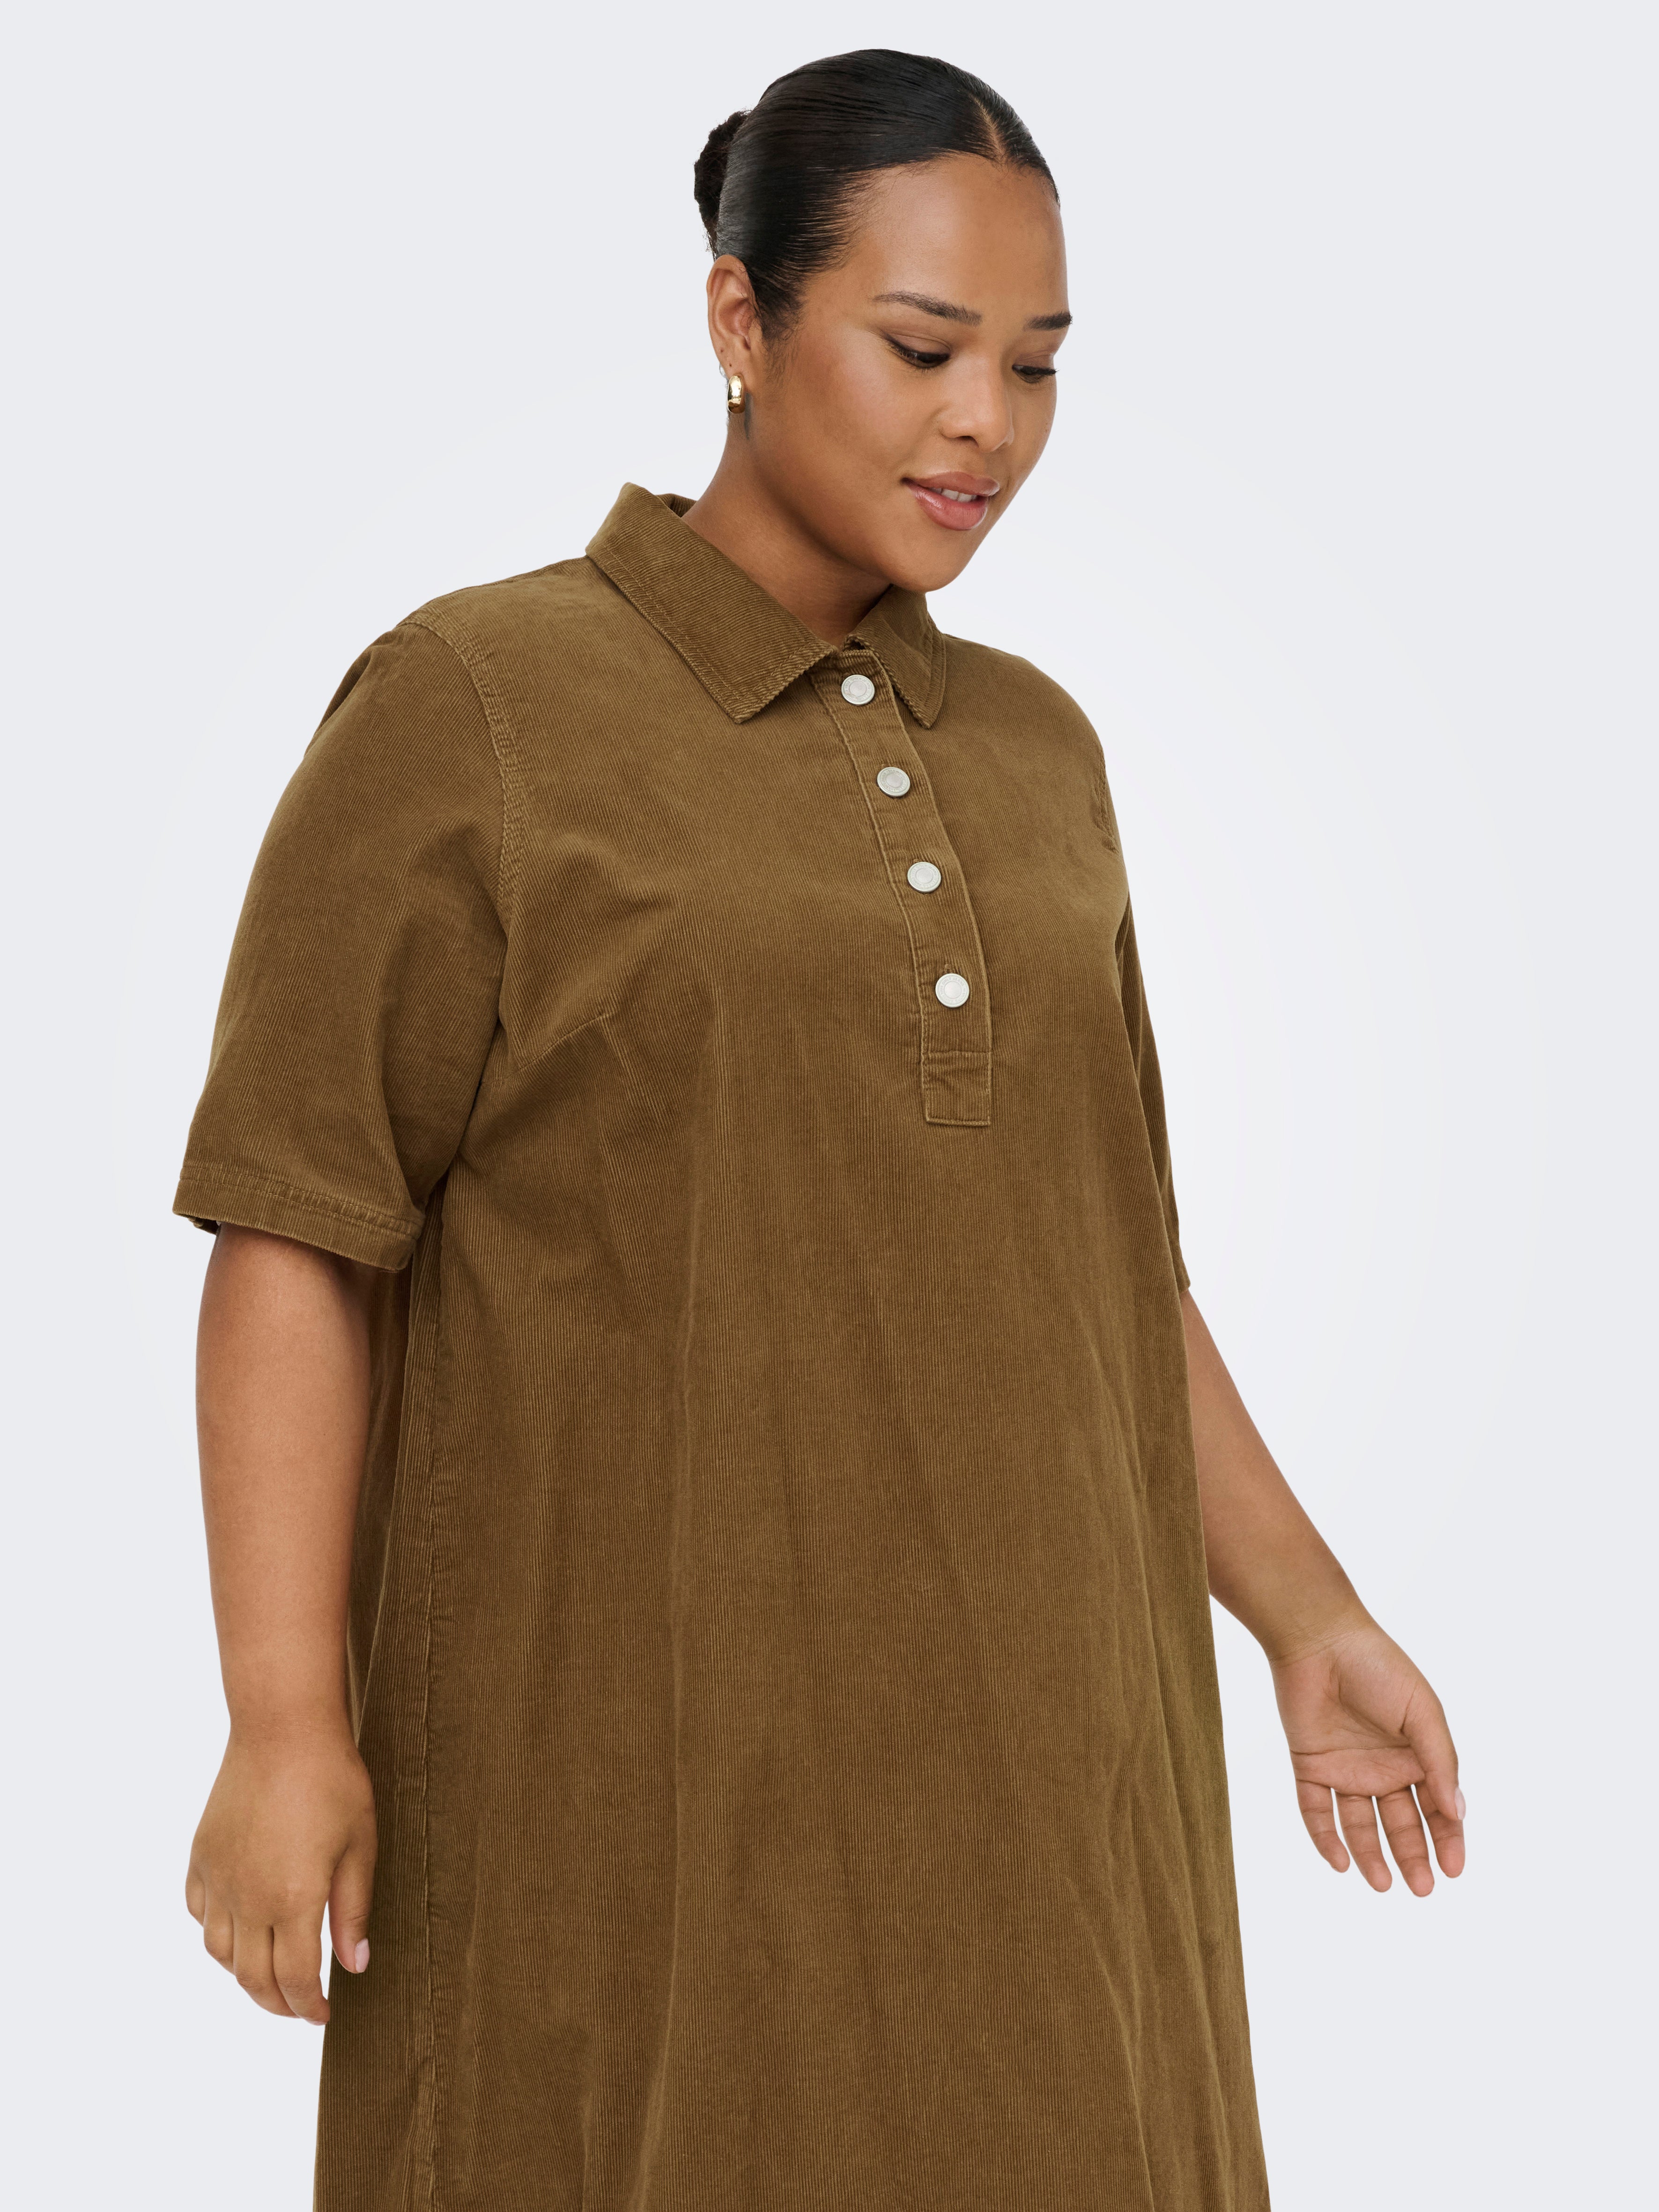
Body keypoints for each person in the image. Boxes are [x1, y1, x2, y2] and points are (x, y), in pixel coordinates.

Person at [178, 48, 1464, 2212]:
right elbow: (299, 1227)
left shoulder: (1040, 755)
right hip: (633, 1782)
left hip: (1055, 1781)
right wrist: (282, 1715)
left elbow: (1104, 1266)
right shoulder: (474, 704)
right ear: (739, 318)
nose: (987, 425)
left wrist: (1305, 1609)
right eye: (923, 347)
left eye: (1035, 366)